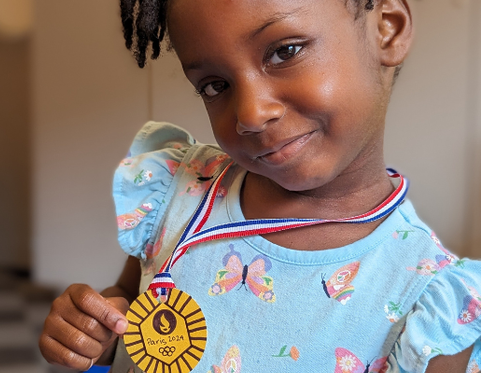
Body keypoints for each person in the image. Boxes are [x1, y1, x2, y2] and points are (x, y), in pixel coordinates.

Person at [39, 0, 481, 372]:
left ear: (388, 29)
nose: (250, 113)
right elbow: (131, 301)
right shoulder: (181, 191)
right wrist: (95, 326)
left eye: (285, 51)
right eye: (215, 85)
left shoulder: (431, 304)